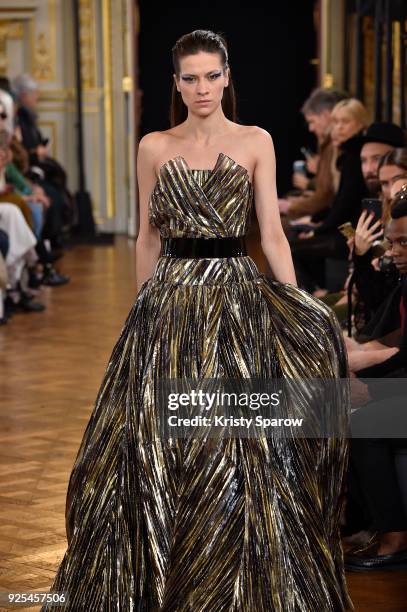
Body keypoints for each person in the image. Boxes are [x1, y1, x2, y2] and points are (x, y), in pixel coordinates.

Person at [41, 30, 352, 611]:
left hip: (235, 298)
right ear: (176, 83)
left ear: (228, 77)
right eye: (191, 78)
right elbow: (146, 237)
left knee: (233, 443)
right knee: (155, 445)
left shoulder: (255, 140)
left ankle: (230, 576)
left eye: (212, 76)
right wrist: (141, 313)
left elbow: (272, 234)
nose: (202, 88)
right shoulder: (153, 146)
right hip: (168, 302)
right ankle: (163, 572)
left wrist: (297, 307)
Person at [290, 98, 369, 293]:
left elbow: (345, 205)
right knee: (295, 241)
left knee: (291, 250)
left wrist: (318, 230)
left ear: (360, 124)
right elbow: (339, 202)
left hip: (350, 233)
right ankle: (316, 295)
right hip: (347, 229)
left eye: (345, 122)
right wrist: (317, 222)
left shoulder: (354, 156)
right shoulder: (347, 154)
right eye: (335, 122)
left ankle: (312, 300)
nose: (338, 128)